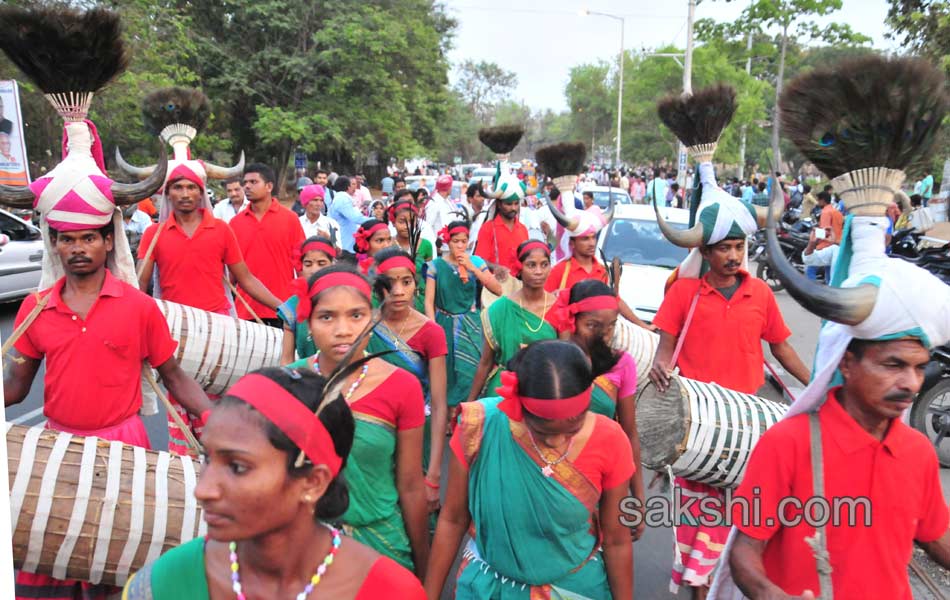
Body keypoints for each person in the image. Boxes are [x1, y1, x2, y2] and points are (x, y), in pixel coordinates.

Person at [122, 368, 426, 599]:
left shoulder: (388, 590)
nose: (203, 490)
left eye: (238, 467)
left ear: (312, 482)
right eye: (207, 459)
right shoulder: (167, 582)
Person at [649, 203, 810, 597]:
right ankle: (699, 588)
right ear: (704, 253)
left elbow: (782, 350)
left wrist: (816, 385)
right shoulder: (684, 292)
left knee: (742, 515)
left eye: (739, 246)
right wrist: (660, 367)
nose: (734, 255)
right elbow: (664, 348)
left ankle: (730, 585)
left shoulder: (760, 294)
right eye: (724, 248)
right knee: (695, 516)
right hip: (695, 425)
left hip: (746, 425)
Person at [424, 341, 635, 599]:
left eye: (572, 429)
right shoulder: (478, 427)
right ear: (519, 410)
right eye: (545, 433)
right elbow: (453, 519)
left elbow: (616, 539)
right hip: (489, 589)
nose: (557, 442)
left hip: (574, 588)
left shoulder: (610, 440)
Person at [287, 266, 430, 576]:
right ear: (308, 324)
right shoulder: (291, 382)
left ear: (373, 318)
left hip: (381, 545)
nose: (343, 330)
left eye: (356, 316)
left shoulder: (402, 386)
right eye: (327, 317)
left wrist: (424, 570)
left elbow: (410, 485)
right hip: (304, 546)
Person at [560, 279, 646, 540]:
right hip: (553, 470)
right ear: (572, 321)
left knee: (604, 545)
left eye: (610, 327)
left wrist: (638, 497)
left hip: (602, 473)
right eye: (592, 326)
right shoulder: (551, 360)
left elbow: (628, 432)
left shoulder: (621, 364)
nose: (603, 335)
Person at [367, 247, 448, 512]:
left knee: (418, 519)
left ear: (416, 283)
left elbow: (438, 405)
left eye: (407, 282)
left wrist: (434, 474)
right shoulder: (365, 326)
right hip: (372, 433)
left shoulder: (431, 333)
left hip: (417, 436)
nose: (399, 291)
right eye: (390, 283)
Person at [466, 240, 557, 403]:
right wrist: (470, 404)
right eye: (531, 265)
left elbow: (563, 360)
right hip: (504, 391)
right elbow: (485, 363)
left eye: (544, 265)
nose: (538, 271)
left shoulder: (559, 308)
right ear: (519, 268)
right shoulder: (500, 309)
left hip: (546, 392)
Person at [424, 221, 502, 411]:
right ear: (447, 242)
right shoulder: (435, 266)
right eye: (455, 241)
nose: (459, 246)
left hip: (471, 323)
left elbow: (497, 289)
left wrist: (472, 268)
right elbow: (428, 301)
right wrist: (433, 328)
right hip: (444, 321)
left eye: (464, 241)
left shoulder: (476, 262)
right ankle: (450, 413)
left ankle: (467, 410)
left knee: (472, 368)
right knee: (447, 370)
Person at [230, 163, 306, 326]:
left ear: (269, 186)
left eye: (253, 182)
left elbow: (302, 266)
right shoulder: (235, 223)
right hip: (245, 311)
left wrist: (303, 303)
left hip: (284, 309)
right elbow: (231, 274)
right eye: (245, 183)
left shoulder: (290, 219)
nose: (247, 186)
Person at [280, 236, 337, 365]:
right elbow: (287, 359)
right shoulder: (293, 306)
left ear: (332, 264)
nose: (314, 270)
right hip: (308, 378)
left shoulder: (345, 299)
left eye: (322, 263)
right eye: (308, 264)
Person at [474, 190, 529, 285]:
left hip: (519, 288)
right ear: (499, 204)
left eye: (516, 204)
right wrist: (494, 267)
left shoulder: (523, 229)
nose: (513, 208)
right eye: (508, 204)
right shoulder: (488, 228)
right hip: (495, 287)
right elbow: (479, 259)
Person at [389, 198, 434, 311]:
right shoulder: (388, 245)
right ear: (393, 223)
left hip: (421, 300)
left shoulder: (425, 245)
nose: (407, 226)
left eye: (411, 221)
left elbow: (428, 276)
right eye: (402, 222)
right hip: (395, 300)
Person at [327, 175, 365, 253]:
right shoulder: (342, 199)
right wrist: (375, 220)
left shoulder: (340, 198)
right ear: (348, 187)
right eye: (352, 185)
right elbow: (356, 218)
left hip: (346, 240)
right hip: (345, 242)